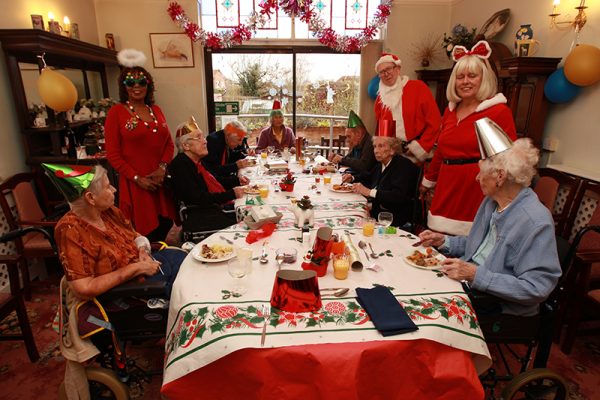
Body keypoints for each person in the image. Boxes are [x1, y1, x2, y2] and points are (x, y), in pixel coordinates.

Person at [44, 163, 184, 399]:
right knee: (187, 288)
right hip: (128, 290)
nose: (115, 191)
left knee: (189, 260)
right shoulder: (70, 230)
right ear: (90, 197)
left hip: (146, 267)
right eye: (109, 187)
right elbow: (83, 287)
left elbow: (136, 236)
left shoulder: (108, 212)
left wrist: (142, 249)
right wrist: (135, 268)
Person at [418, 128, 561, 317]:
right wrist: (445, 241)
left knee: (425, 309)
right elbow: (477, 246)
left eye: (480, 173)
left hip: (497, 302)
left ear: (500, 177)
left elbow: (537, 287)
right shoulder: (492, 201)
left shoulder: (535, 221)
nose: (477, 178)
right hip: (472, 286)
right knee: (417, 282)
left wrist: (475, 275)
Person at [420, 41, 517, 236]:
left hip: (475, 188)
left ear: (484, 78)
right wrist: (428, 180)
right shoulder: (450, 112)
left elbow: (508, 161)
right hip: (446, 186)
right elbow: (441, 151)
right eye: (460, 76)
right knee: (437, 243)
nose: (465, 81)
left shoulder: (497, 112)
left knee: (468, 244)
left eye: (472, 76)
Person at [105, 48, 176, 242]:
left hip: (160, 181)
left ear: (149, 85)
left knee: (165, 225)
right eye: (130, 82)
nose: (136, 86)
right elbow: (113, 155)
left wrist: (162, 168)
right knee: (143, 234)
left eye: (141, 82)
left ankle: (164, 264)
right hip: (136, 185)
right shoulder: (116, 113)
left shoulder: (157, 110)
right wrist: (138, 178)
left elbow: (169, 144)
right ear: (124, 86)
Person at [169, 117, 247, 235]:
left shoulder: (195, 160)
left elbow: (214, 179)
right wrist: (231, 193)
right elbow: (199, 199)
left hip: (209, 209)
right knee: (249, 221)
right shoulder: (181, 166)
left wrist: (237, 181)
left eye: (203, 137)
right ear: (186, 146)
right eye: (199, 138)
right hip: (201, 216)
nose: (205, 141)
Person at [342, 120, 420, 228]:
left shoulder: (403, 166)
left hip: (394, 220)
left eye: (381, 146)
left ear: (392, 149)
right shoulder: (381, 164)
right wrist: (352, 177)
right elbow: (369, 177)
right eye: (374, 146)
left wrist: (369, 192)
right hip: (377, 213)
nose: (376, 150)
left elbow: (398, 196)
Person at [374, 52, 441, 163]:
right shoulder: (381, 100)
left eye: (389, 69)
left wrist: (419, 147)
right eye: (381, 72)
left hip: (418, 156)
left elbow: (435, 122)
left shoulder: (418, 88)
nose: (386, 74)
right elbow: (384, 132)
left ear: (398, 68)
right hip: (393, 156)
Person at [328, 110, 376, 175]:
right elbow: (349, 159)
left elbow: (363, 165)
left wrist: (342, 159)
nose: (347, 140)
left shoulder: (370, 143)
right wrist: (336, 156)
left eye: (349, 136)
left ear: (358, 134)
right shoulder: (357, 143)